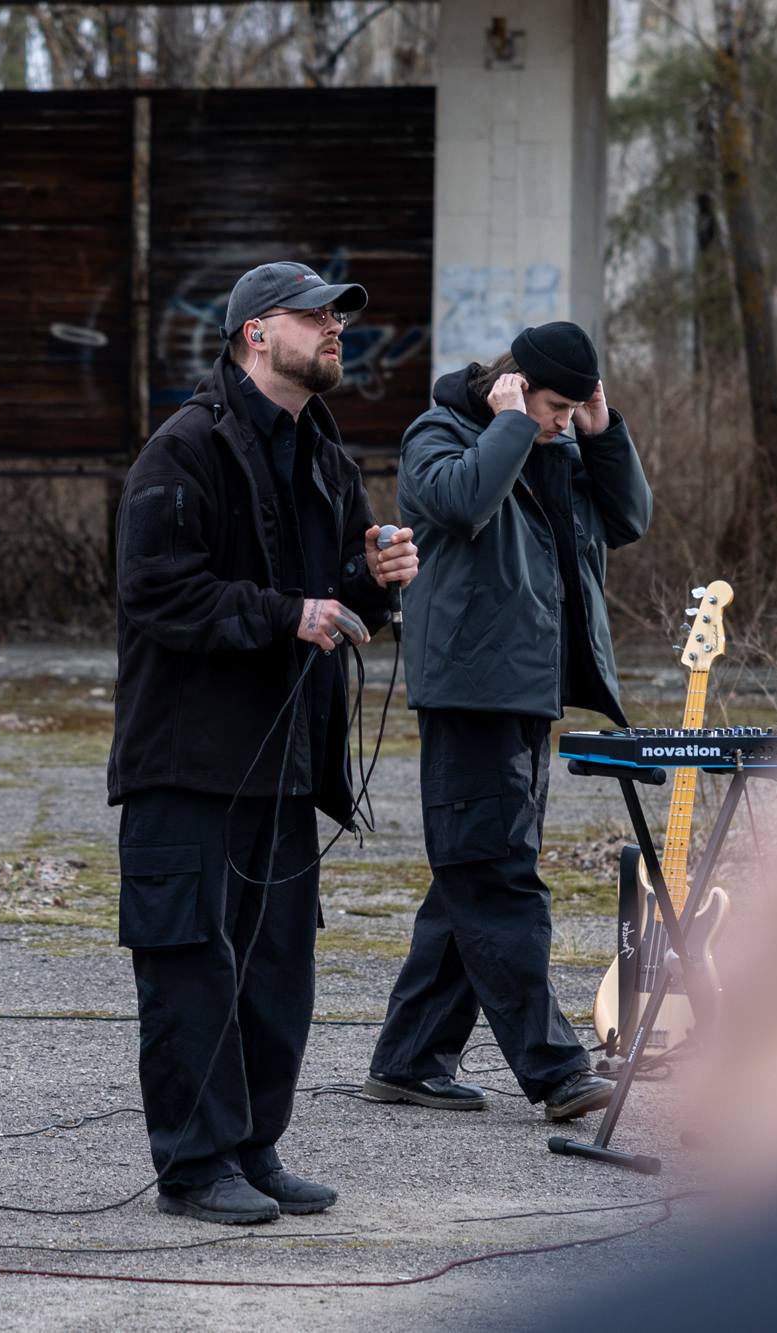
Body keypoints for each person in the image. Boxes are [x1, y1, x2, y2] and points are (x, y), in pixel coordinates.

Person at [109, 261, 420, 1224]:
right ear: (255, 333)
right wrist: (290, 613)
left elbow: (335, 597)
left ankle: (253, 1149)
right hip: (186, 763)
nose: (334, 328)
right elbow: (158, 591)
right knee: (191, 969)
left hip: (284, 766)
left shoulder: (326, 457)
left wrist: (375, 580)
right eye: (314, 314)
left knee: (277, 973)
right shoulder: (182, 450)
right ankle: (195, 1166)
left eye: (339, 316)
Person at [365, 321, 650, 1122]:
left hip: (527, 690)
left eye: (571, 410)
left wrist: (602, 429)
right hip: (470, 690)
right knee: (498, 879)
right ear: (516, 385)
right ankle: (556, 1069)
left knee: (473, 870)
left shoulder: (556, 445)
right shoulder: (439, 434)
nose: (562, 422)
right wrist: (515, 424)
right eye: (556, 406)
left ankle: (410, 1057)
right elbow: (461, 503)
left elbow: (626, 518)